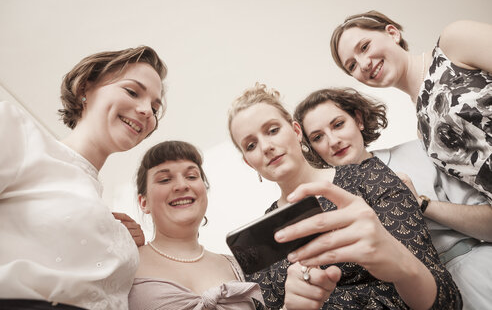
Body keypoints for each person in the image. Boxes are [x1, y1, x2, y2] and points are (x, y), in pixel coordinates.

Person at [227, 83, 461, 309]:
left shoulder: (368, 176)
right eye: (250, 145)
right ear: (249, 163)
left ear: (296, 131)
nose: (266, 146)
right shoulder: (260, 237)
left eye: (273, 130)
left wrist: (400, 263)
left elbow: (447, 300)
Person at [294, 87, 492, 309]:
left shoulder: (419, 152)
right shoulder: (324, 209)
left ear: (358, 119)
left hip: (478, 274)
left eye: (338, 124)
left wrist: (422, 204)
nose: (333, 141)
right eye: (318, 137)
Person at [0, 46, 167, 310]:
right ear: (84, 88)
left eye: (155, 108)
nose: (147, 110)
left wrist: (123, 242)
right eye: (132, 92)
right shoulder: (17, 132)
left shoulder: (115, 224)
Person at [330, 10, 492, 200]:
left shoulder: (454, 43)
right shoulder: (422, 134)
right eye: (352, 66)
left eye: (365, 47)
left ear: (392, 33)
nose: (363, 64)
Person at [128, 140, 264, 309]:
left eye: (191, 176)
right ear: (143, 202)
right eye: (164, 179)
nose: (182, 186)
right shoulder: (124, 264)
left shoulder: (236, 265)